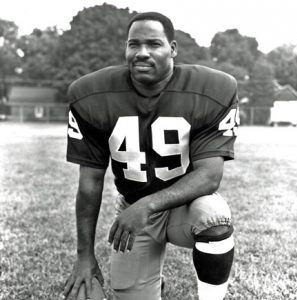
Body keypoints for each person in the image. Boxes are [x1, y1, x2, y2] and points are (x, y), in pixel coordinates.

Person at [63, 11, 239, 300]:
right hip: (135, 213)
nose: (142, 53)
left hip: (185, 206)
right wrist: (84, 255)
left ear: (172, 49)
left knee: (213, 216)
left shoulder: (212, 89)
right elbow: (90, 182)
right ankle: (150, 282)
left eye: (153, 44)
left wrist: (148, 204)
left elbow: (210, 175)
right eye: (134, 44)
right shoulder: (90, 95)